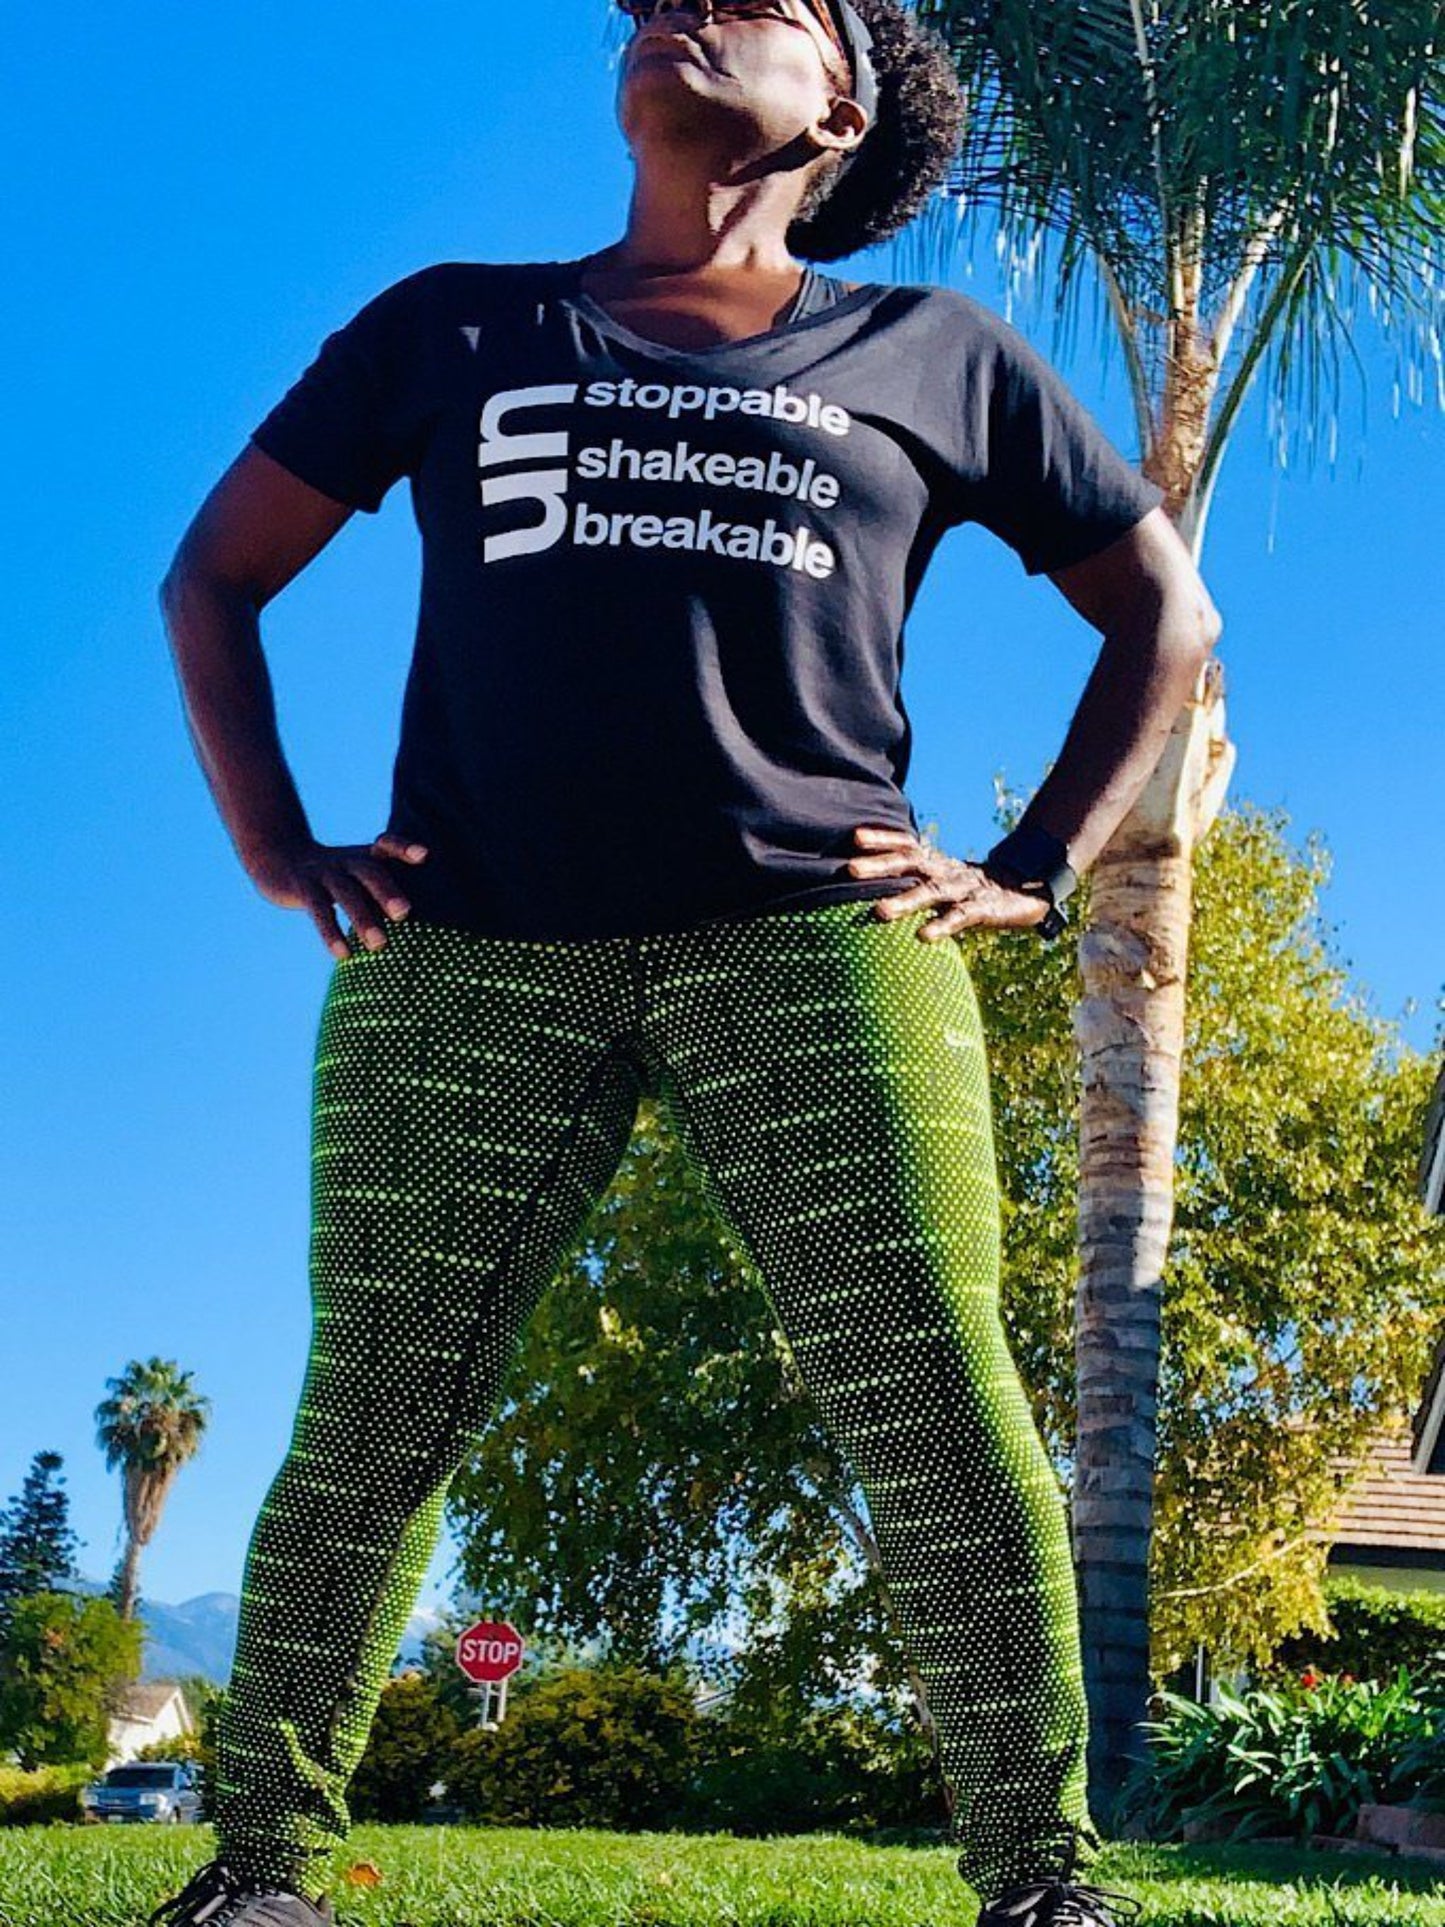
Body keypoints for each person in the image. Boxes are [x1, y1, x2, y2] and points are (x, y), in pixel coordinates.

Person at [149, 1, 1220, 1922]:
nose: (682, 13)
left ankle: (1040, 1879)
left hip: (821, 943)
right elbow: (210, 573)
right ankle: (264, 1872)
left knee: (932, 1390)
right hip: (466, 945)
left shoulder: (935, 355)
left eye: (761, 0)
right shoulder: (449, 325)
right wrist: (277, 846)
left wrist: (1038, 867)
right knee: (382, 1399)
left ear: (845, 107)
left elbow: (1161, 616)